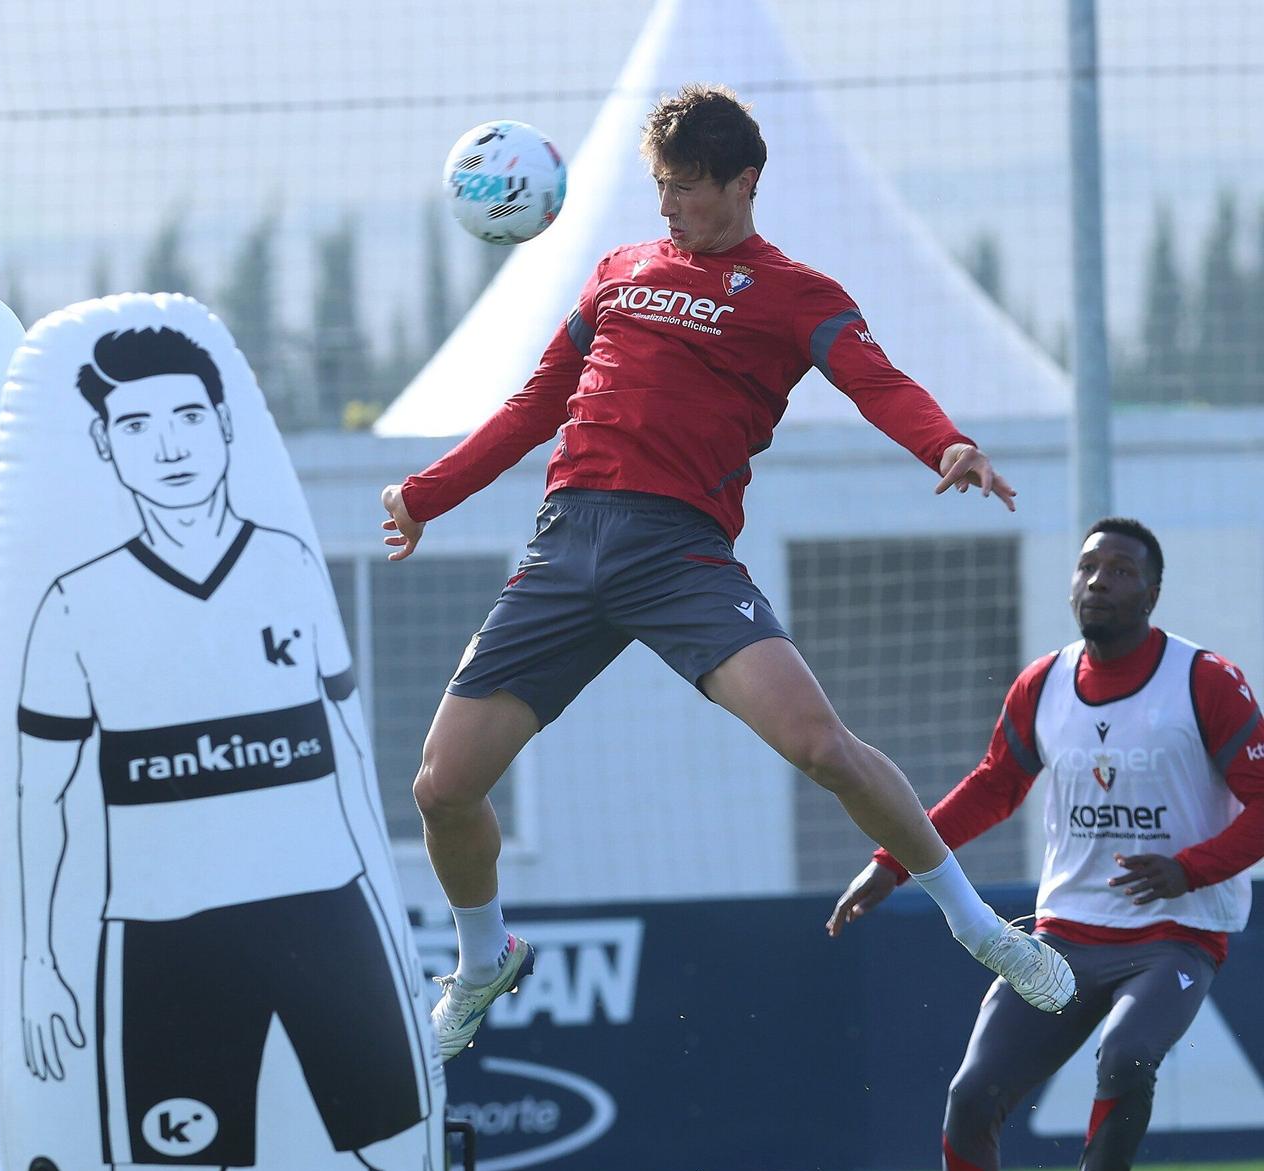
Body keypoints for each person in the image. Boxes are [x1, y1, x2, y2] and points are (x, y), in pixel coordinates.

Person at [379, 83, 1076, 1062]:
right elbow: (536, 402)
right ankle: (481, 956)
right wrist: (427, 492)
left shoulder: (796, 295)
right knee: (440, 788)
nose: (666, 207)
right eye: (658, 187)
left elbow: (873, 380)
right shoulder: (617, 273)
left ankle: (977, 925)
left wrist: (943, 444)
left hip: (679, 557)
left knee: (822, 747)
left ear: (742, 182)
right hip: (566, 545)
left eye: (684, 189)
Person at [16, 325, 444, 1171]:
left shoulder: (289, 564)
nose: (165, 444)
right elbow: (43, 798)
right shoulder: (73, 606)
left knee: (405, 1170)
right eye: (134, 424)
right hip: (170, 945)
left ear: (220, 428)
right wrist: (39, 957)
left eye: (183, 418)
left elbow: (343, 750)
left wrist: (391, 912)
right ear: (104, 447)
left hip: (323, 920)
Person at [828, 518, 1262, 1171]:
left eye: (1121, 569)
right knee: (970, 1095)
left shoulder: (1205, 680)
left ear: (1152, 591)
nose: (1100, 579)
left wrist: (1190, 866)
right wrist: (891, 863)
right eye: (1089, 565)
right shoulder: (1043, 684)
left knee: (1127, 1055)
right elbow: (993, 787)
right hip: (1064, 936)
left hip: (1175, 930)